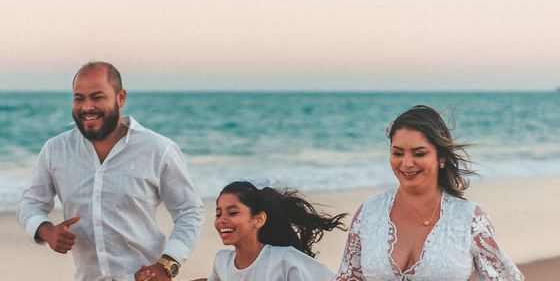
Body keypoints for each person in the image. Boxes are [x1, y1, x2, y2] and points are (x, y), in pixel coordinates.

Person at [18, 61, 204, 281]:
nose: (86, 107)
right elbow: (31, 204)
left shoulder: (158, 149)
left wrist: (167, 264)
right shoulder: (55, 150)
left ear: (121, 98)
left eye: (97, 97)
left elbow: (189, 211)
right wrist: (46, 231)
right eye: (79, 98)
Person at [334, 105, 524, 281]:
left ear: (441, 157)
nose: (407, 163)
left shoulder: (468, 218)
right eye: (398, 153)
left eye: (419, 153)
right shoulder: (370, 211)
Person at [174, 180, 346, 281]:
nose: (222, 220)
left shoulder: (283, 258)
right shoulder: (222, 262)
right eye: (218, 214)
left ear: (258, 219)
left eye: (233, 212)